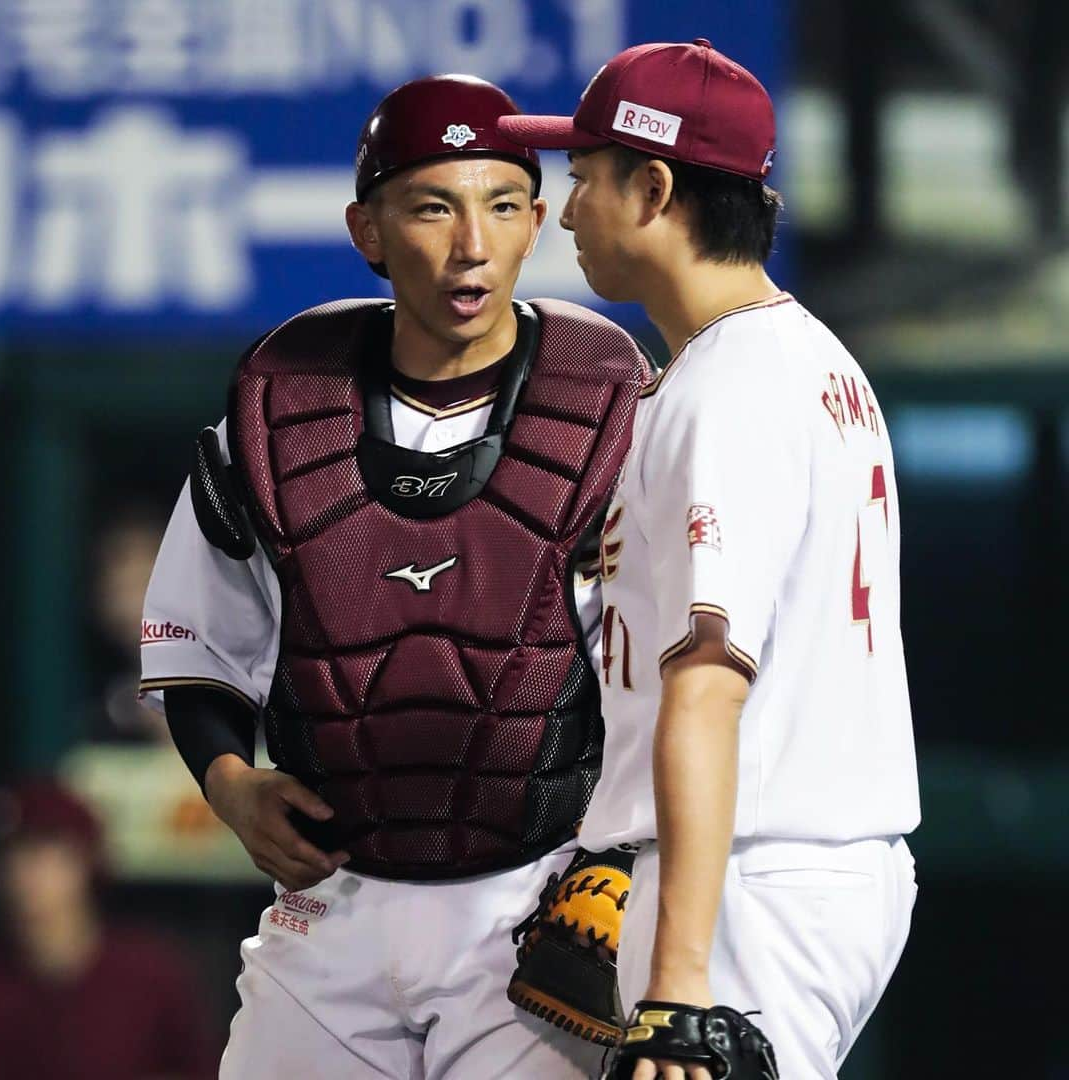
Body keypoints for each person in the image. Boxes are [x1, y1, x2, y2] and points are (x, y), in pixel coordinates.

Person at [138, 74, 650, 1078]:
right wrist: (232, 788)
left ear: (537, 221)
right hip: (332, 903)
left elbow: (676, 678)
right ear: (367, 229)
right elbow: (197, 645)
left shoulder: (611, 402)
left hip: (539, 899)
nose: (473, 243)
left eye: (503, 205)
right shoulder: (283, 402)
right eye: (433, 206)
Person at [499, 38, 921, 1079]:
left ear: (654, 188)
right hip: (781, 871)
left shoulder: (727, 388)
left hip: (749, 888)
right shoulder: (809, 359)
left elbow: (708, 688)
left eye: (584, 179)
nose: (563, 211)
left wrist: (680, 981)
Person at [0, 778, 215, 1080]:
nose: (24, 875)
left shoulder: (151, 975)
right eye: (11, 857)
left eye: (43, 854)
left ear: (86, 860)